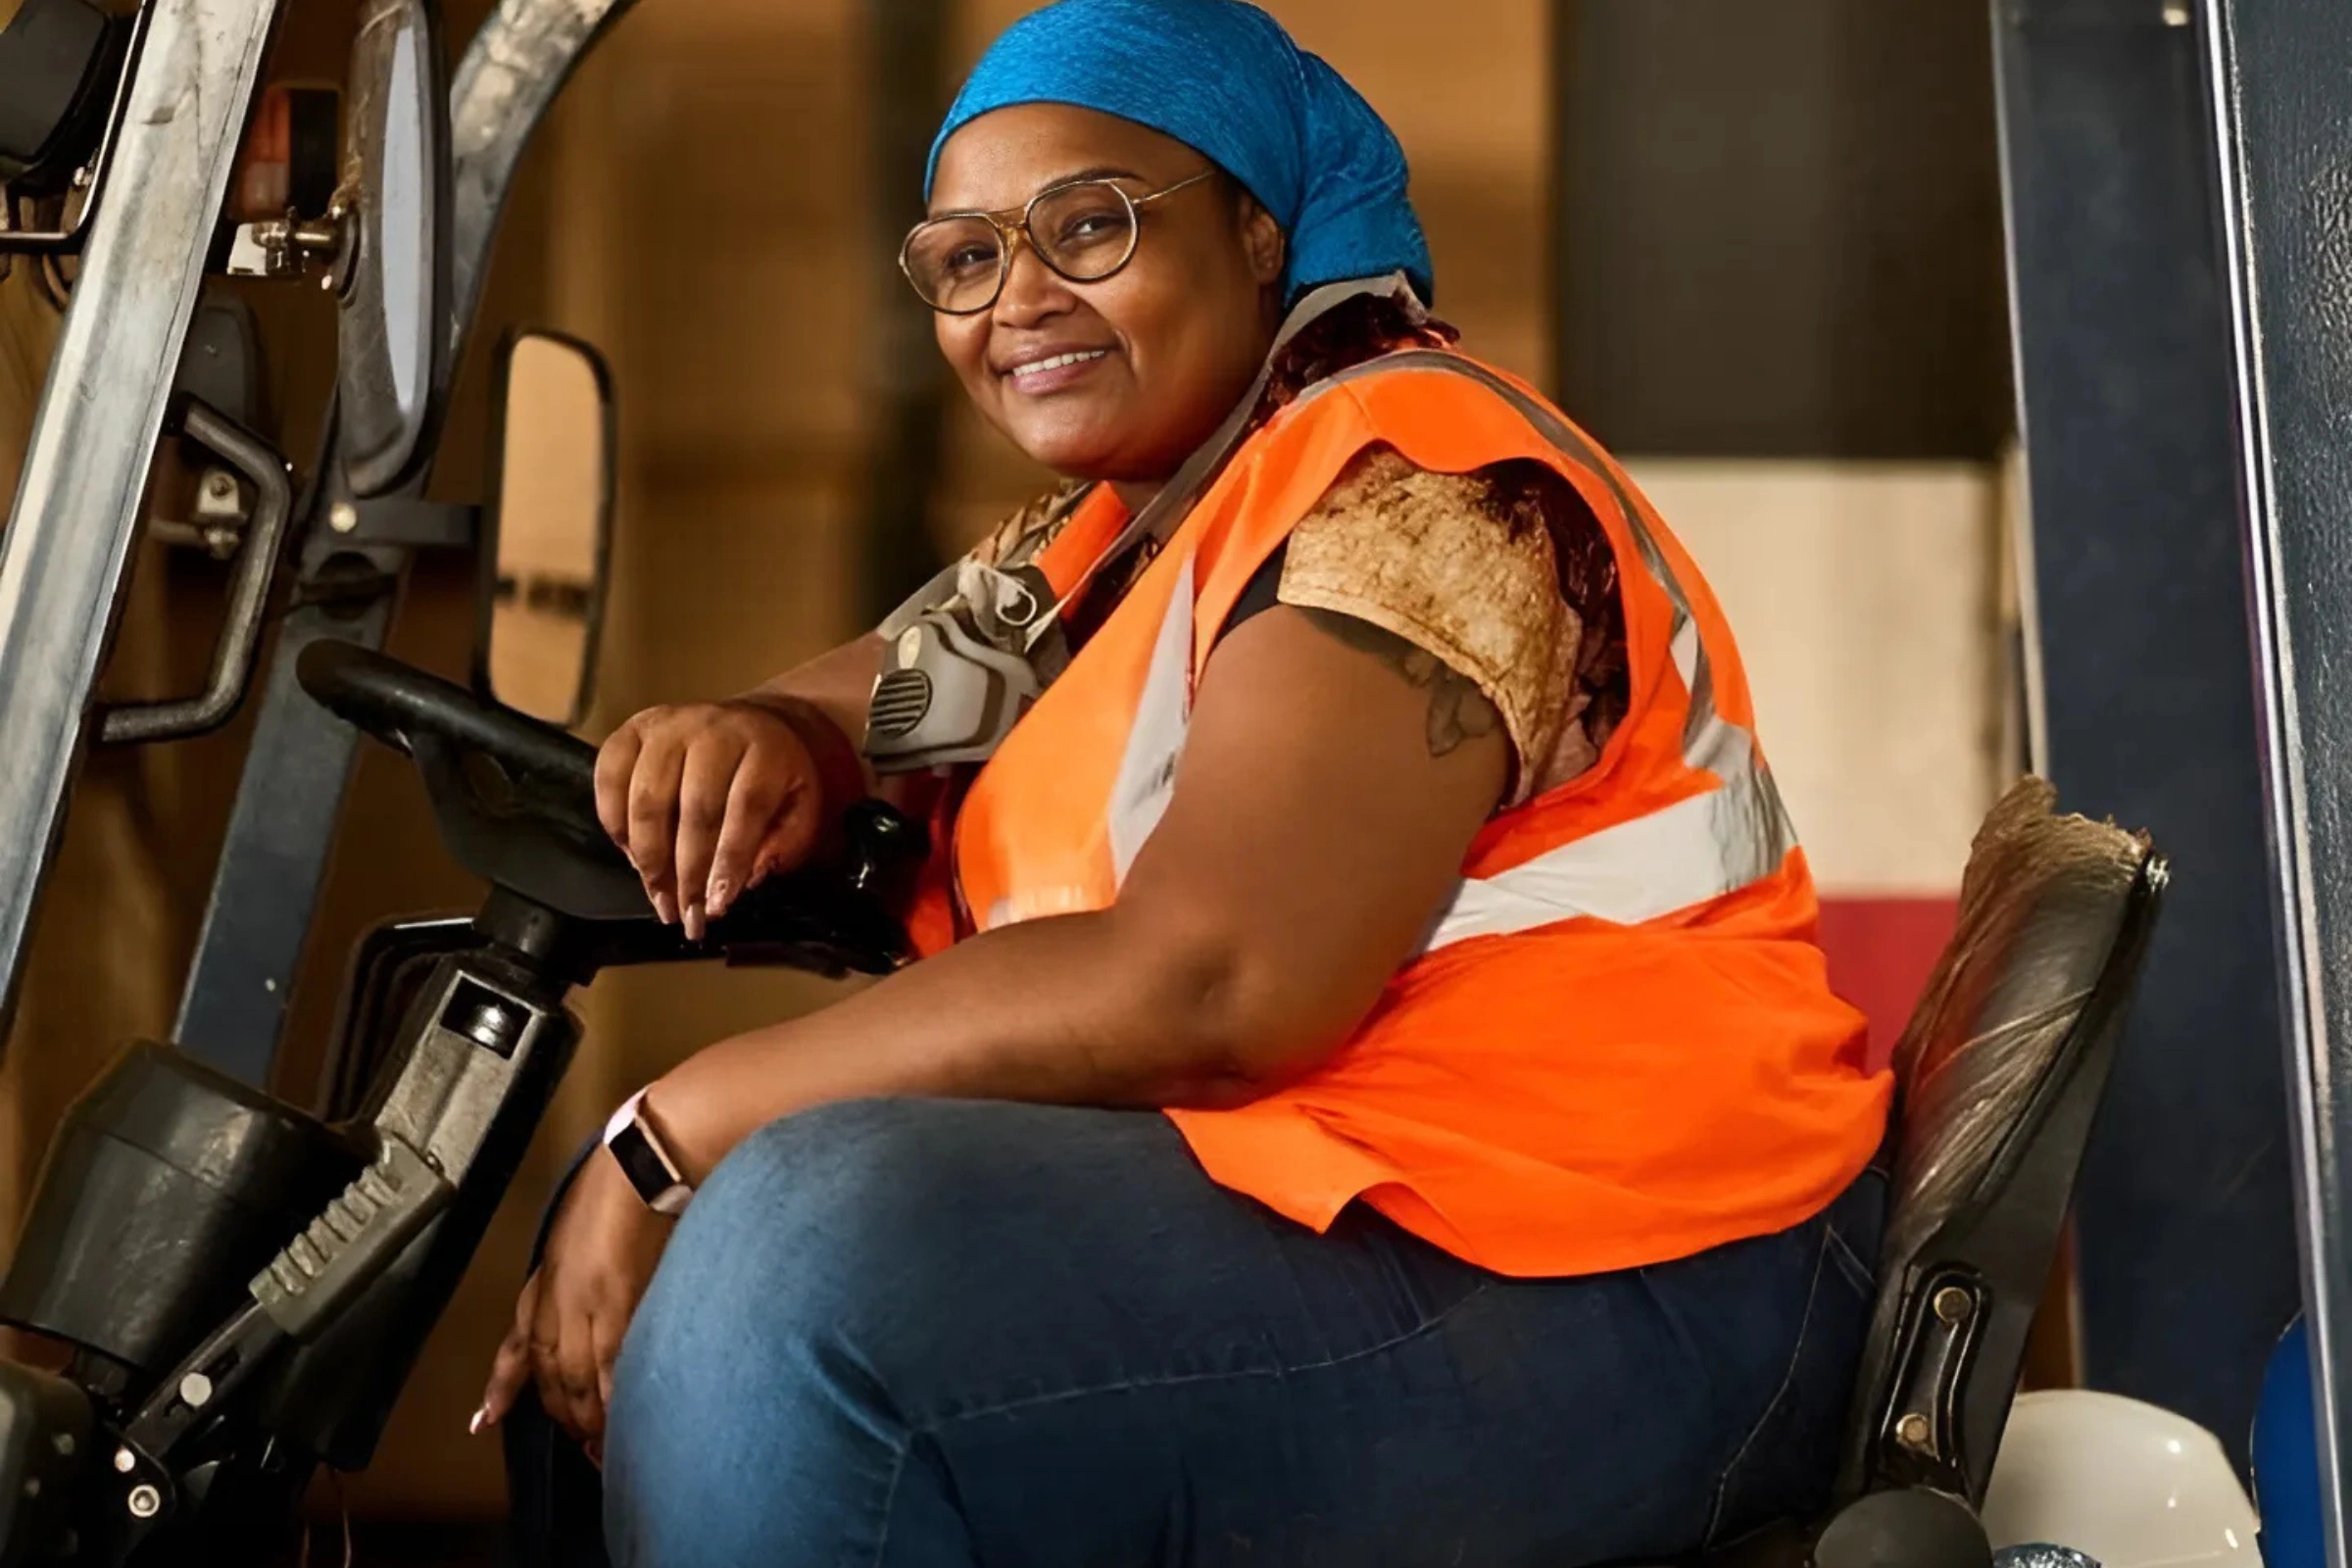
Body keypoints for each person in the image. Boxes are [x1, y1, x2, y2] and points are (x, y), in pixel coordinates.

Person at [478, 1, 1892, 1561]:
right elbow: (893, 691)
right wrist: (764, 735)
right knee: (682, 1264)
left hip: (1636, 1257)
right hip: (1392, 1198)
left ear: (1258, 232)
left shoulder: (1414, 487)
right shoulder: (1111, 538)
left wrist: (674, 1124)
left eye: (1088, 227)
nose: (1016, 297)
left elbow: (1218, 981)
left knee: (811, 1254)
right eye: (963, 258)